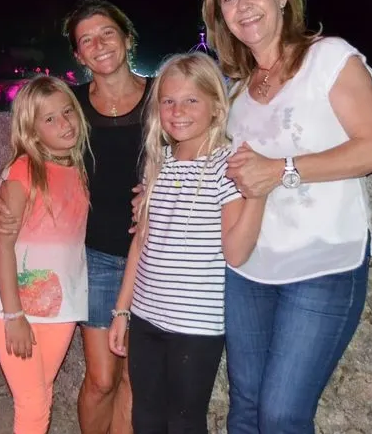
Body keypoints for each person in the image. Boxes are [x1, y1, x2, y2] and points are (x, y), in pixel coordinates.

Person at [201, 0, 372, 433]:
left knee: (283, 413)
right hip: (250, 267)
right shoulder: (237, 91)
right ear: (221, 16)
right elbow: (223, 170)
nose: (243, 4)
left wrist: (281, 170)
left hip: (323, 262)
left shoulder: (329, 58)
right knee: (245, 406)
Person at [0, 0, 149, 433]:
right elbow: (21, 170)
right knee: (100, 379)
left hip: (152, 256)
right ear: (78, 54)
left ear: (127, 37)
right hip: (95, 259)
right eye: (86, 40)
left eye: (107, 32)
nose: (99, 45)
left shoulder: (161, 99)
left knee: (136, 381)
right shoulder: (70, 105)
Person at [108, 53, 266, 433]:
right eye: (168, 101)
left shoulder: (226, 166)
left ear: (216, 107)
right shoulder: (159, 162)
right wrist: (122, 310)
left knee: (184, 421)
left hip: (196, 324)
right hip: (145, 314)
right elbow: (140, 243)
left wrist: (257, 195)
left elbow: (235, 252)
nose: (178, 111)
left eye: (191, 100)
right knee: (145, 416)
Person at [0, 75, 91, 434]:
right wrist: (13, 314)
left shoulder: (79, 169)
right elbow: (2, 245)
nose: (64, 123)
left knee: (41, 395)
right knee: (33, 406)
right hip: (18, 308)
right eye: (50, 119)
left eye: (67, 112)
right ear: (32, 131)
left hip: (61, 307)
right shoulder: (23, 171)